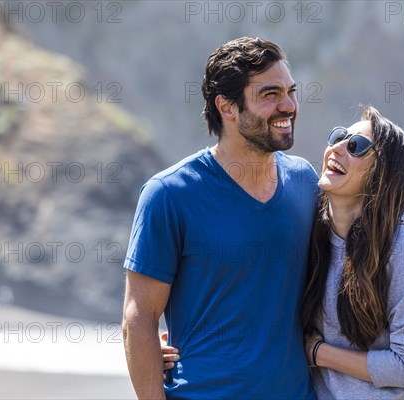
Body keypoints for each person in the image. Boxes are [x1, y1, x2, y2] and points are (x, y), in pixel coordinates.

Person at [122, 37, 319, 399]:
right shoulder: (169, 194)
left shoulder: (306, 182)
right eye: (271, 94)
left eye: (291, 91)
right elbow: (139, 319)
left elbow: (356, 275)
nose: (288, 105)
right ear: (227, 107)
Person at [301, 106, 404, 398]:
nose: (337, 148)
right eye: (339, 137)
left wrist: (318, 353)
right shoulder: (307, 228)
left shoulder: (402, 251)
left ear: (383, 177)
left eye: (356, 147)